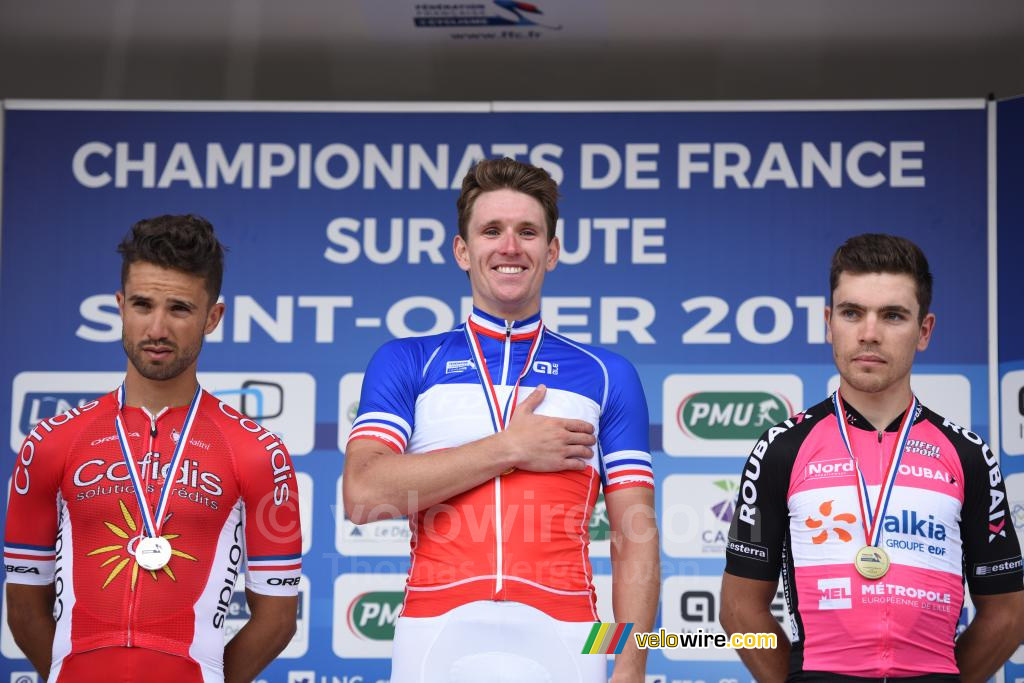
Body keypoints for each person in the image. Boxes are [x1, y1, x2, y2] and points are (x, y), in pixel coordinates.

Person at [344, 158, 660, 683]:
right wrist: (509, 448)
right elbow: (362, 494)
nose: (510, 247)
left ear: (552, 252)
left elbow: (635, 537)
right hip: (433, 629)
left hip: (568, 632)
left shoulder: (609, 375)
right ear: (463, 251)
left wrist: (630, 664)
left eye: (528, 232)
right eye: (492, 231)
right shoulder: (407, 361)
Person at [4, 215, 302, 683]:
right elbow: (23, 610)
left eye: (180, 309)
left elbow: (277, 620)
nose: (157, 328)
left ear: (212, 318)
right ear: (120, 306)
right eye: (142, 305)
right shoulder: (50, 442)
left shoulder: (259, 452)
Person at [720, 233, 1024, 682]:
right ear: (829, 323)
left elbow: (1008, 615)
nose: (869, 333)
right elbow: (739, 610)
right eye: (851, 312)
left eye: (893, 315)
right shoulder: (781, 448)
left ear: (924, 331)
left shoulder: (968, 454)